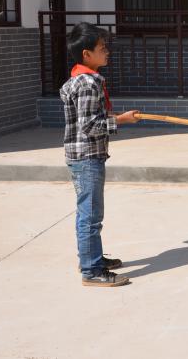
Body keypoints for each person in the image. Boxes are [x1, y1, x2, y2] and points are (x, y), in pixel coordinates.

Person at [60, 22, 140, 287]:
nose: (107, 52)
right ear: (87, 54)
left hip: (84, 155)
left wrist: (115, 116)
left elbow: (89, 118)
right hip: (87, 157)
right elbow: (90, 126)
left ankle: (90, 258)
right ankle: (92, 271)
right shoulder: (87, 83)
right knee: (91, 215)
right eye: (102, 48)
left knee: (88, 213)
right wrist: (122, 120)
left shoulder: (80, 79)